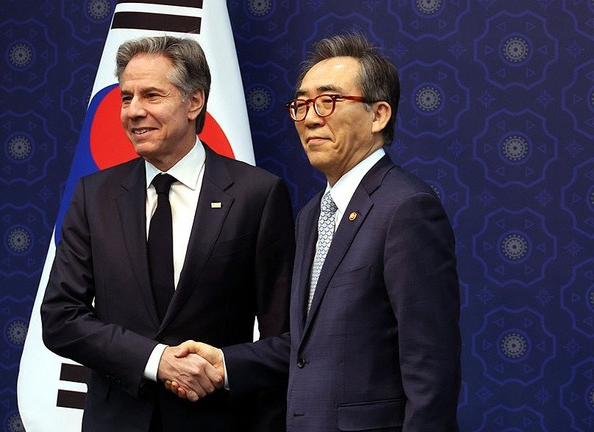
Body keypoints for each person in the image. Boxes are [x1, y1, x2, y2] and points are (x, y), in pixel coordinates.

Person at [170, 33, 462, 432]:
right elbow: (310, 344)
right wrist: (226, 363)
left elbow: (430, 367)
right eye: (302, 104)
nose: (309, 118)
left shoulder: (407, 208)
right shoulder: (311, 214)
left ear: (379, 115)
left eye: (329, 101)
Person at [40, 35, 295, 432]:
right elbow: (60, 317)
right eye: (126, 98)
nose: (133, 111)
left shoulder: (256, 195)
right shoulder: (94, 195)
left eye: (151, 96)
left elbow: (286, 339)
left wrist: (227, 371)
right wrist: (156, 360)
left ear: (194, 102)